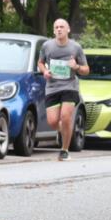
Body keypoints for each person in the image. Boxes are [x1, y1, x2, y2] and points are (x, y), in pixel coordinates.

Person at [38, 19, 89, 162]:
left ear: (68, 30)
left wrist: (76, 67)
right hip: (52, 87)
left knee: (66, 117)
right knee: (53, 122)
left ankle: (64, 150)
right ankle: (64, 131)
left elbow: (86, 70)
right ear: (53, 31)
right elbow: (40, 63)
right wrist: (45, 71)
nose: (59, 29)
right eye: (56, 27)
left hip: (70, 86)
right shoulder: (47, 46)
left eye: (62, 27)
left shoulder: (76, 47)